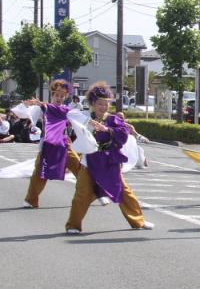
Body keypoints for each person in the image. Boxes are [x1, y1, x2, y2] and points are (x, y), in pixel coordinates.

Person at [65, 82, 153, 233]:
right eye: (100, 103)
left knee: (124, 192)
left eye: (106, 104)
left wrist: (107, 130)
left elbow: (123, 135)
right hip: (90, 161)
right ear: (92, 103)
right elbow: (69, 114)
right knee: (82, 193)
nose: (103, 107)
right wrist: (88, 123)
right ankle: (73, 225)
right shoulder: (84, 117)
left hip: (109, 162)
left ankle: (139, 221)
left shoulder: (113, 120)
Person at [21, 79, 84, 208]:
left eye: (62, 96)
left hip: (64, 143)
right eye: (57, 95)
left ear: (65, 97)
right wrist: (27, 105)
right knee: (39, 172)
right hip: (48, 144)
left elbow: (81, 122)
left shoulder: (68, 111)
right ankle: (31, 199)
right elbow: (26, 115)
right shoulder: (44, 108)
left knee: (79, 168)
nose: (59, 98)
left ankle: (96, 193)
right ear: (52, 95)